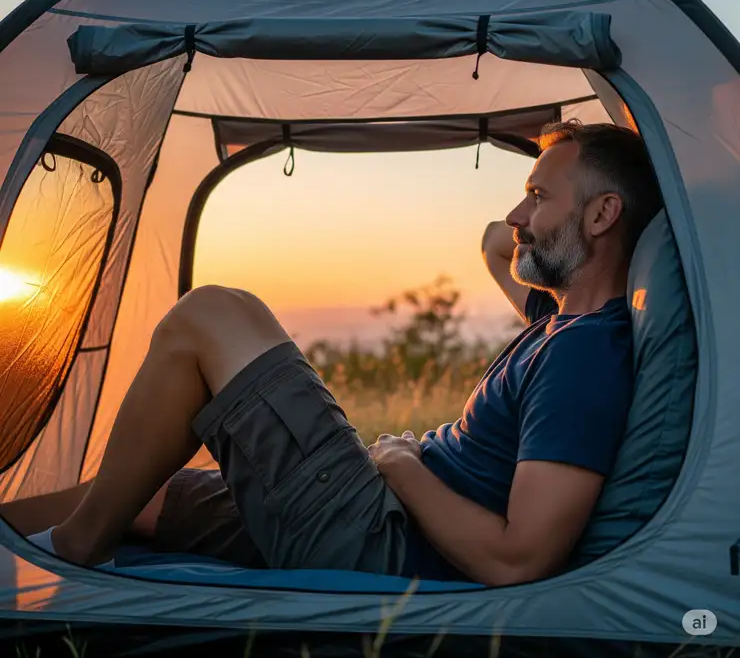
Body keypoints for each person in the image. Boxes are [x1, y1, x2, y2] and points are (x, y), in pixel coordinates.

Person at [17, 119, 662, 586]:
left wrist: (401, 465)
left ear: (604, 214)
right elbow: (497, 243)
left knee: (211, 314)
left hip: (384, 540)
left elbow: (519, 558)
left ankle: (70, 553)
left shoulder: (583, 357)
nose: (517, 214)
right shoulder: (554, 318)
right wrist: (548, 200)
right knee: (151, 495)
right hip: (374, 509)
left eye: (539, 197)